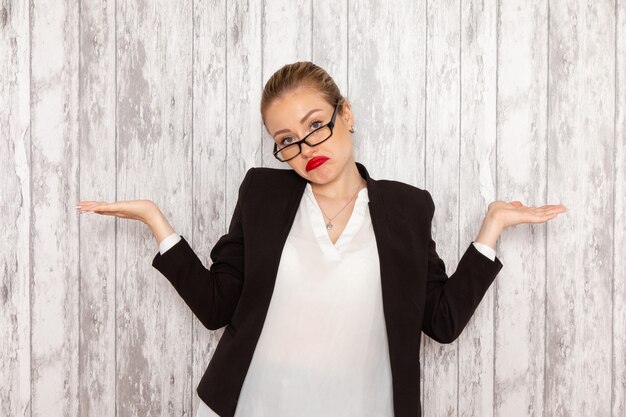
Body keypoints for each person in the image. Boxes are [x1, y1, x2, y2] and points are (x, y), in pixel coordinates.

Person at [76, 61, 567, 417]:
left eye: (316, 124)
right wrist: (156, 222)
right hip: (254, 404)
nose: (305, 147)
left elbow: (439, 321)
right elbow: (217, 307)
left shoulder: (406, 208)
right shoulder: (262, 194)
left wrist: (491, 230)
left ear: (346, 114)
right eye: (287, 139)